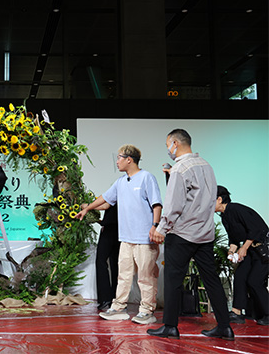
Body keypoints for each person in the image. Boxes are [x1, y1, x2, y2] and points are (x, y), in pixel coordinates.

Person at [148, 129, 234, 340]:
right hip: (204, 233)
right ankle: (225, 326)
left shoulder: (180, 168)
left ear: (175, 143)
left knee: (173, 279)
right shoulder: (207, 165)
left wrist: (161, 229)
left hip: (183, 233)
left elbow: (174, 205)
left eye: (168, 144)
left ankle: (170, 326)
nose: (168, 149)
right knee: (212, 280)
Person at [76, 144, 162, 324]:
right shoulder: (121, 182)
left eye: (119, 158)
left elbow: (157, 204)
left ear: (129, 159)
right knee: (123, 275)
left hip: (144, 238)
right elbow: (105, 199)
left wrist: (155, 226)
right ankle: (118, 307)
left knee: (145, 276)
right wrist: (87, 209)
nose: (117, 162)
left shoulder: (147, 178)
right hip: (126, 238)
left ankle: (147, 310)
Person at [215, 185, 269, 325]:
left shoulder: (236, 209)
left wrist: (244, 247)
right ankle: (237, 312)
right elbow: (233, 239)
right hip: (251, 250)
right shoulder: (225, 217)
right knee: (239, 276)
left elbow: (256, 229)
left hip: (263, 250)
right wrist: (231, 251)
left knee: (255, 281)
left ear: (219, 199)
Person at [95, 204, 120, 312]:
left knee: (101, 261)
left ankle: (105, 299)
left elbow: (105, 204)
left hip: (110, 228)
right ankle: (116, 299)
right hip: (122, 229)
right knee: (116, 264)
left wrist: (88, 207)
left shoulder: (117, 190)